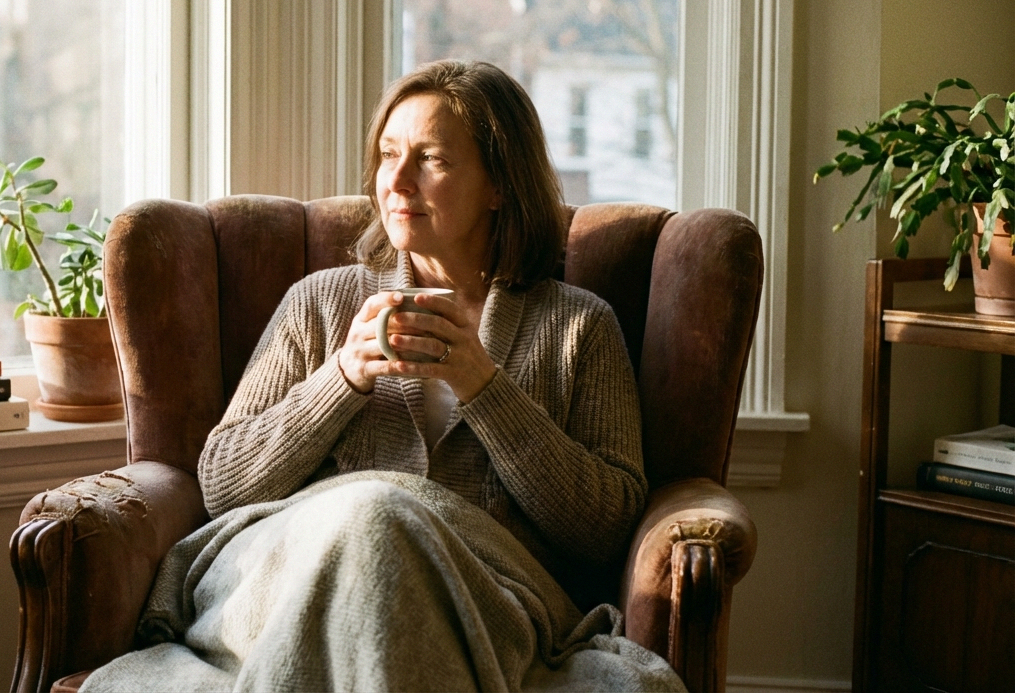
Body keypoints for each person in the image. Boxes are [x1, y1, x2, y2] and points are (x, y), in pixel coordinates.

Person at [80, 61, 681, 692]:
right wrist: (340, 378)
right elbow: (223, 484)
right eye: (388, 154)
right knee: (372, 516)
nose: (395, 180)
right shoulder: (318, 303)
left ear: (499, 184)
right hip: (284, 575)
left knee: (385, 527)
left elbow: (606, 529)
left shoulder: (578, 326)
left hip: (482, 596)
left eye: (432, 160)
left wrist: (484, 386)